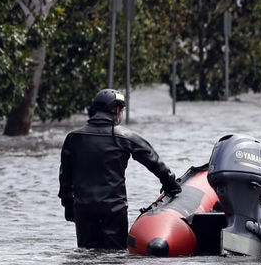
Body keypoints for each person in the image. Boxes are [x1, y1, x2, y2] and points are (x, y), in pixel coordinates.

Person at [58, 88, 183, 249]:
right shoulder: (125, 136)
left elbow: (64, 177)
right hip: (113, 211)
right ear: (116, 109)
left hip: (83, 210)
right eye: (122, 110)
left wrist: (68, 206)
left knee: (87, 257)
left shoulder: (73, 137)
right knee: (115, 259)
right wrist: (171, 184)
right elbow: (154, 162)